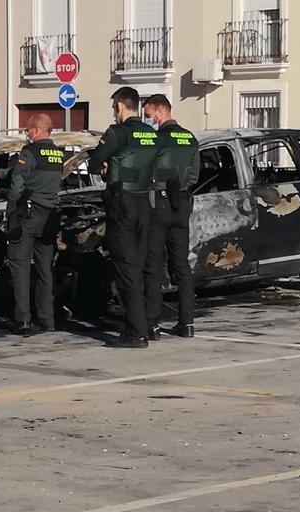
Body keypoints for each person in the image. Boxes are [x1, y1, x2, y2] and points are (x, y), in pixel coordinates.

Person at [88, 86, 159, 348]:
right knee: (139, 267)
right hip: (144, 201)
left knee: (124, 267)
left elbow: (95, 162)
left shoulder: (117, 132)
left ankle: (137, 333)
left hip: (122, 204)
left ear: (119, 106)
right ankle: (147, 325)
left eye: (113, 108)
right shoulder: (151, 133)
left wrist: (108, 167)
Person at [0, 114, 65, 335]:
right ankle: (47, 320)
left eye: (28, 131)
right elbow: (29, 171)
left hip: (27, 216)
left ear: (36, 131)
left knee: (20, 267)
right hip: (50, 218)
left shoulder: (28, 152)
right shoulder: (58, 154)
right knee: (45, 269)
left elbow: (19, 182)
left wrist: (11, 213)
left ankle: (23, 321)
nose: (27, 134)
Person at [142, 94, 200, 340]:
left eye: (148, 114)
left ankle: (152, 325)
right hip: (182, 203)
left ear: (160, 112)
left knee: (153, 265)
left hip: (159, 203)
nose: (148, 119)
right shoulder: (190, 138)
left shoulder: (158, 139)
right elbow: (195, 176)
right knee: (181, 265)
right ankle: (187, 323)